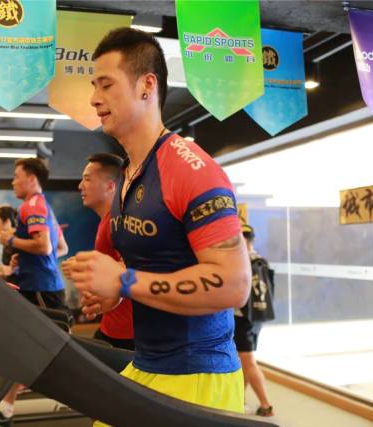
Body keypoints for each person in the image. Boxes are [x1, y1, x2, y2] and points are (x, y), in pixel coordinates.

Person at [69, 28, 251, 417]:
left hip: (199, 375)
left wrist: (123, 280)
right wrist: (115, 292)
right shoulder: (128, 176)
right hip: (148, 361)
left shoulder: (191, 169)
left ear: (146, 86)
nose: (94, 98)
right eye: (93, 86)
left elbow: (235, 284)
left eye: (106, 85)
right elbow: (156, 263)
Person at [0, 158, 69, 425]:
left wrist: (11, 240)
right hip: (40, 285)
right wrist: (23, 260)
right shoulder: (44, 207)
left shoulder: (31, 205)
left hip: (41, 289)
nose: (13, 181)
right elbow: (61, 248)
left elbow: (44, 247)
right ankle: (6, 402)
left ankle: (8, 402)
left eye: (16, 176)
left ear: (31, 179)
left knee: (42, 347)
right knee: (25, 343)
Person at [63, 153, 134, 351]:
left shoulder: (117, 222)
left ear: (110, 186)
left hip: (128, 333)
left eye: (87, 179)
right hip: (112, 327)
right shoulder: (107, 221)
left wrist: (86, 267)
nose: (80, 186)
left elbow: (136, 266)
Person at [235, 224, 273, 417]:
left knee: (248, 361)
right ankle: (239, 400)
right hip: (258, 316)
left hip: (242, 317)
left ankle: (265, 405)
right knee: (244, 359)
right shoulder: (262, 261)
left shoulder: (241, 261)